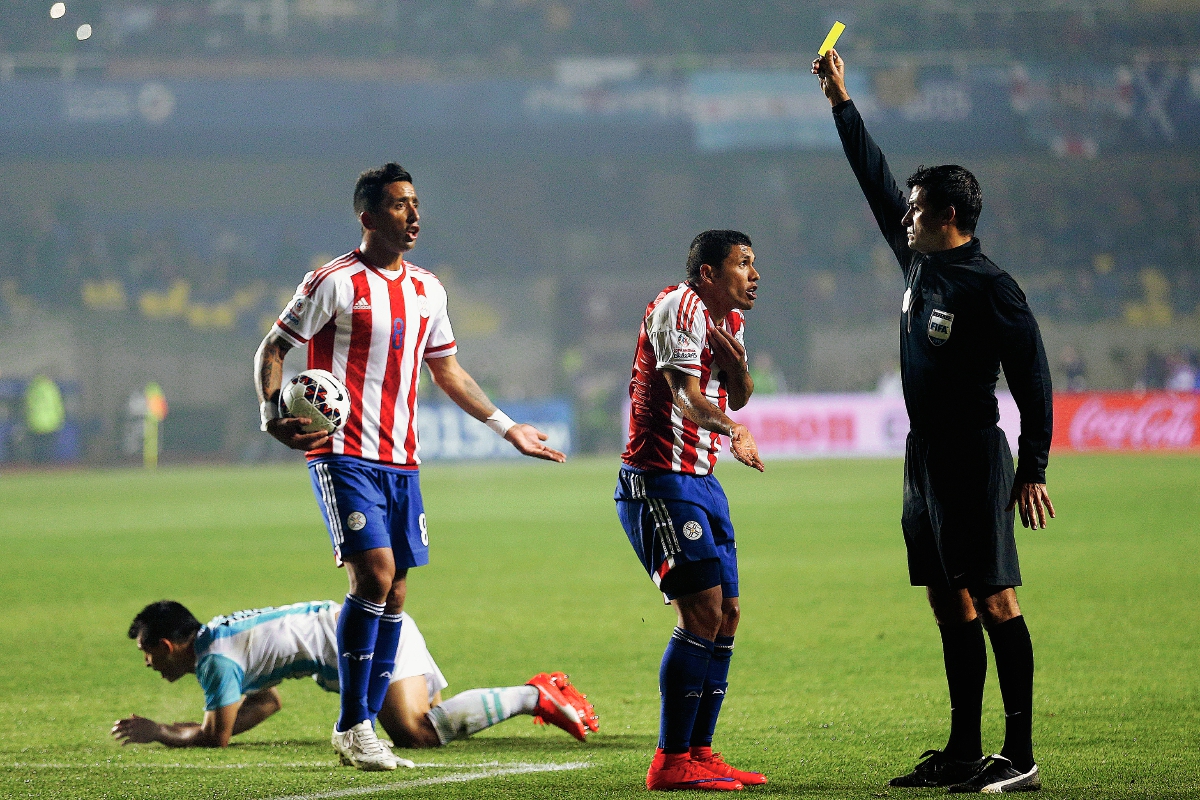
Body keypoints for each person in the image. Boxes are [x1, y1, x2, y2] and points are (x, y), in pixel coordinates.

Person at [252, 163, 566, 771]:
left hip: (402, 460)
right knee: (373, 573)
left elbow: (447, 369)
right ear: (368, 216)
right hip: (342, 453)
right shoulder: (332, 282)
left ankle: (361, 729)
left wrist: (508, 427)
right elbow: (273, 348)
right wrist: (271, 414)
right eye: (399, 205)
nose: (413, 215)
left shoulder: (429, 289)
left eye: (416, 203)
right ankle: (353, 723)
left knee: (394, 591)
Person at [814, 51, 1055, 794]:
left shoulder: (992, 287)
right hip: (924, 461)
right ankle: (962, 749)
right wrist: (842, 103)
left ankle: (1019, 756)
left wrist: (1032, 466)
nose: (905, 216)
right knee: (946, 599)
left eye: (916, 209)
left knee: (996, 599)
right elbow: (874, 182)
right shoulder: (918, 262)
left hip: (974, 455)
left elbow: (1034, 378)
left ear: (947, 216)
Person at [615, 230, 767, 792]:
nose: (754, 275)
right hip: (659, 479)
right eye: (742, 264)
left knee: (726, 614)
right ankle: (669, 760)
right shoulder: (679, 306)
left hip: (701, 481)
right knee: (699, 611)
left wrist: (737, 366)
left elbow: (738, 392)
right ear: (708, 273)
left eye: (755, 264)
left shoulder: (731, 323)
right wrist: (734, 430)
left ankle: (699, 751)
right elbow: (683, 395)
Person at [112, 600, 597, 753]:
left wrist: (160, 733)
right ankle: (534, 694)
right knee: (430, 723)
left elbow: (215, 737)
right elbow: (265, 704)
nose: (148, 664)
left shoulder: (215, 661)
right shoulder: (219, 639)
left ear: (167, 646)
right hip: (370, 623)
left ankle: (535, 694)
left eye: (146, 654)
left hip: (363, 640)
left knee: (416, 734)